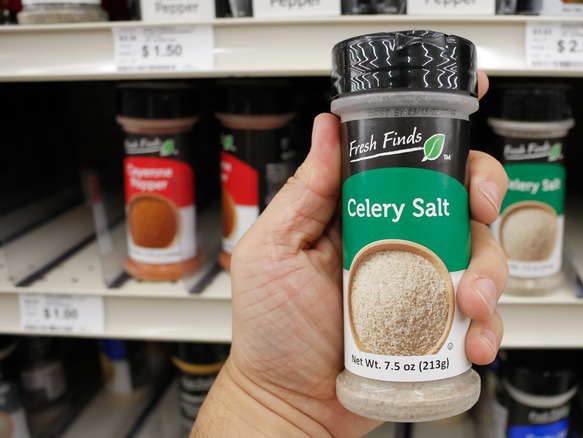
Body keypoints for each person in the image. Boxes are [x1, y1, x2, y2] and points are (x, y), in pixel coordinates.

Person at [191, 72, 508, 438]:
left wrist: (267, 404)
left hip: (426, 372)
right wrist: (266, 396)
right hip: (319, 384)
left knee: (460, 232)